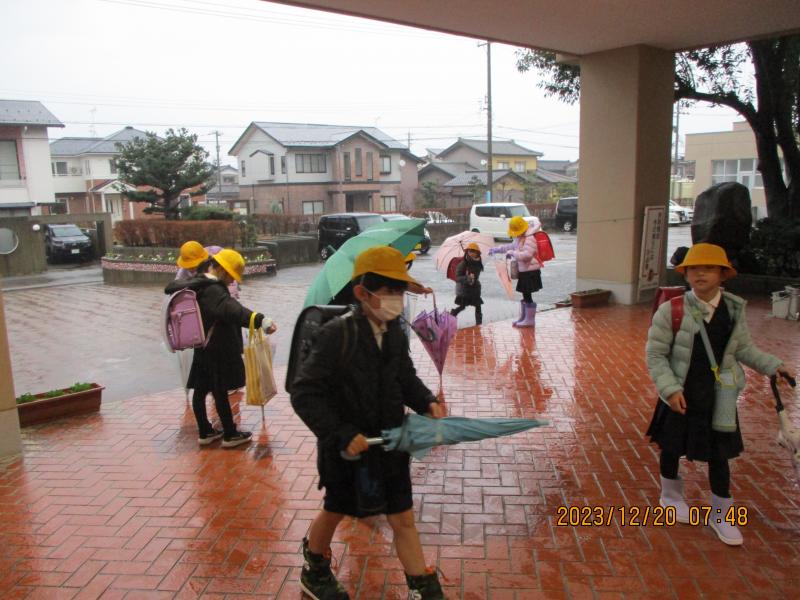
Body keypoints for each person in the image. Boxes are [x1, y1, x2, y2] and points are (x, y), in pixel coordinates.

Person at [290, 246, 447, 600]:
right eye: (389, 291)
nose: (396, 300)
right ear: (363, 293)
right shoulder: (337, 335)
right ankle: (314, 569)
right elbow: (304, 393)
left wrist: (426, 401)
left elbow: (404, 377)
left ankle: (423, 589)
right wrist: (341, 433)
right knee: (336, 509)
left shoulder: (394, 332)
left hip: (391, 445)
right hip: (347, 450)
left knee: (402, 517)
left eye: (400, 292)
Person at [645, 243, 794, 546]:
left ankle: (721, 514)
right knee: (672, 446)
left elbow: (743, 348)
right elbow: (656, 355)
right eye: (694, 269)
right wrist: (670, 389)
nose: (700, 274)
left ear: (723, 274)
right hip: (680, 393)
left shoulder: (733, 310)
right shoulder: (671, 310)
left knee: (719, 455)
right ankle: (670, 497)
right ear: (685, 273)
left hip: (719, 396)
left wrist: (772, 365)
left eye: (709, 268)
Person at [165, 248, 277, 448]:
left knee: (201, 390)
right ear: (224, 270)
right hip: (217, 348)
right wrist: (261, 320)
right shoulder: (213, 289)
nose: (232, 281)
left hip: (202, 345)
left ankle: (205, 431)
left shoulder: (199, 282)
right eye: (231, 276)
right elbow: (233, 310)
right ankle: (230, 434)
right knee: (220, 391)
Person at [487, 216, 542, 327]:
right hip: (524, 271)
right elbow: (511, 246)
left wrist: (513, 253)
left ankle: (530, 320)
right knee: (525, 294)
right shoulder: (520, 237)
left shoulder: (530, 238)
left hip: (530, 272)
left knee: (527, 295)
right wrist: (497, 249)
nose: (516, 234)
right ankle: (524, 317)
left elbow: (527, 255)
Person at [449, 243, 484, 325]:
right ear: (467, 252)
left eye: (474, 251)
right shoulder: (463, 263)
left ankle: (479, 324)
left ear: (478, 253)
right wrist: (467, 277)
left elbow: (476, 276)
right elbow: (457, 277)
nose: (472, 253)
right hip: (465, 289)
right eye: (470, 251)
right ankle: (452, 314)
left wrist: (474, 278)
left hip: (475, 288)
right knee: (462, 306)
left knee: (478, 305)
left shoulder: (479, 263)